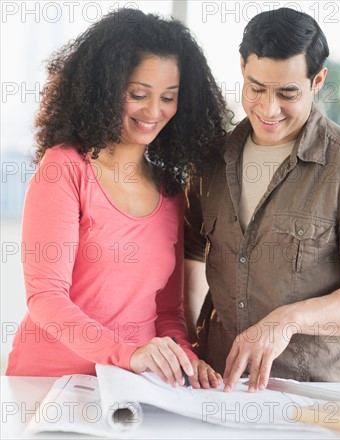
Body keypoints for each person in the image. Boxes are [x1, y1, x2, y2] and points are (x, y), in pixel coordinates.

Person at [184, 7, 340, 392]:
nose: (268, 109)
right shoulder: (209, 162)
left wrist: (288, 320)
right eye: (256, 88)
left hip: (319, 395)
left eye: (287, 93)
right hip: (219, 390)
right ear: (242, 66)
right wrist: (192, 350)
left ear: (317, 80)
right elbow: (191, 257)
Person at [6, 8, 227, 389]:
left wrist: (187, 359)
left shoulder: (171, 191)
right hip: (49, 383)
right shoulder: (65, 168)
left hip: (134, 386)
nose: (154, 112)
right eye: (137, 94)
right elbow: (46, 298)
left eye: (169, 97)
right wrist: (129, 354)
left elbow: (168, 312)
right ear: (104, 90)